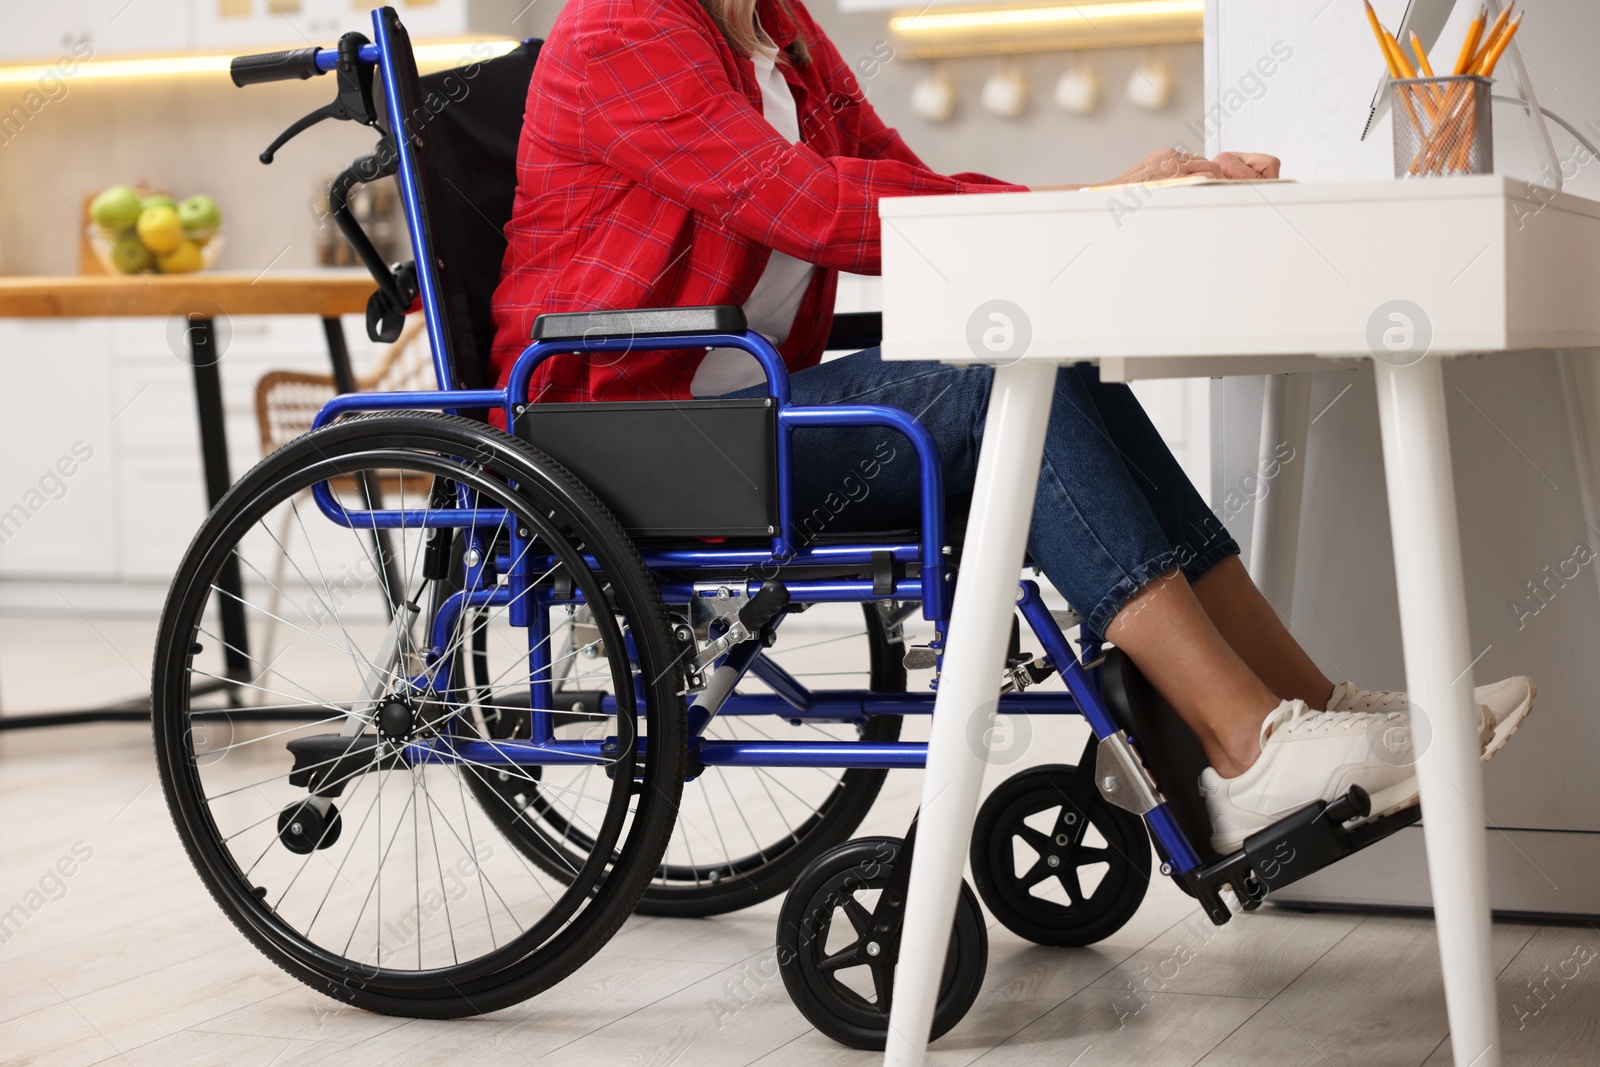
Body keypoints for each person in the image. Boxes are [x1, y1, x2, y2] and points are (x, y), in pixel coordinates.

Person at [488, 0, 1534, 851]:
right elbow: (808, 204)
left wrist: (1090, 204)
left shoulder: (778, 33)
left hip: (741, 411)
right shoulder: (623, 28)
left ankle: (1307, 708)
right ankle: (1248, 745)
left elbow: (904, 181)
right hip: (629, 434)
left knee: (1051, 356)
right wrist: (1091, 200)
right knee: (999, 383)